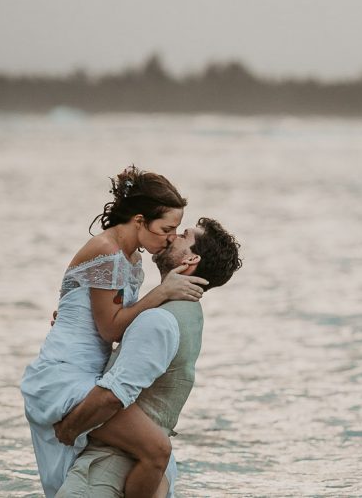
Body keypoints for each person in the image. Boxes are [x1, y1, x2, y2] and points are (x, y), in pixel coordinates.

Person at [21, 166, 208, 498]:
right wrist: (162, 293)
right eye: (166, 228)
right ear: (139, 220)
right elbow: (110, 329)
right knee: (155, 448)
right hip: (65, 375)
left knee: (153, 453)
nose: (169, 238)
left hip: (87, 371)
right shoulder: (108, 251)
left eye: (176, 230)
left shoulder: (131, 257)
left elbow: (106, 315)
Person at [52, 217, 242, 498]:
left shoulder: (159, 319)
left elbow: (113, 396)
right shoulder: (187, 312)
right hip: (141, 457)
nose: (172, 236)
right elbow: (122, 336)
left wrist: (67, 429)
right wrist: (76, 324)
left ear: (191, 259)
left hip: (111, 465)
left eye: (183, 235)